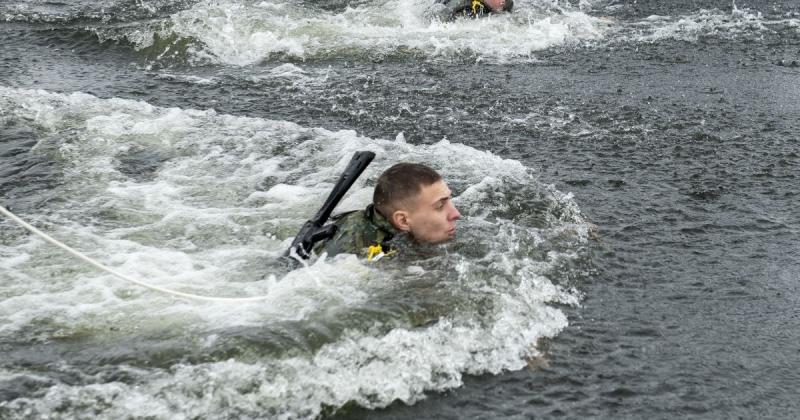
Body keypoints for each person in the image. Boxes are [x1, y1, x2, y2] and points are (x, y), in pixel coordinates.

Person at [314, 163, 461, 260]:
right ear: (403, 221)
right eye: (440, 206)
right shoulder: (362, 256)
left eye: (449, 199)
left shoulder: (384, 221)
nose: (456, 214)